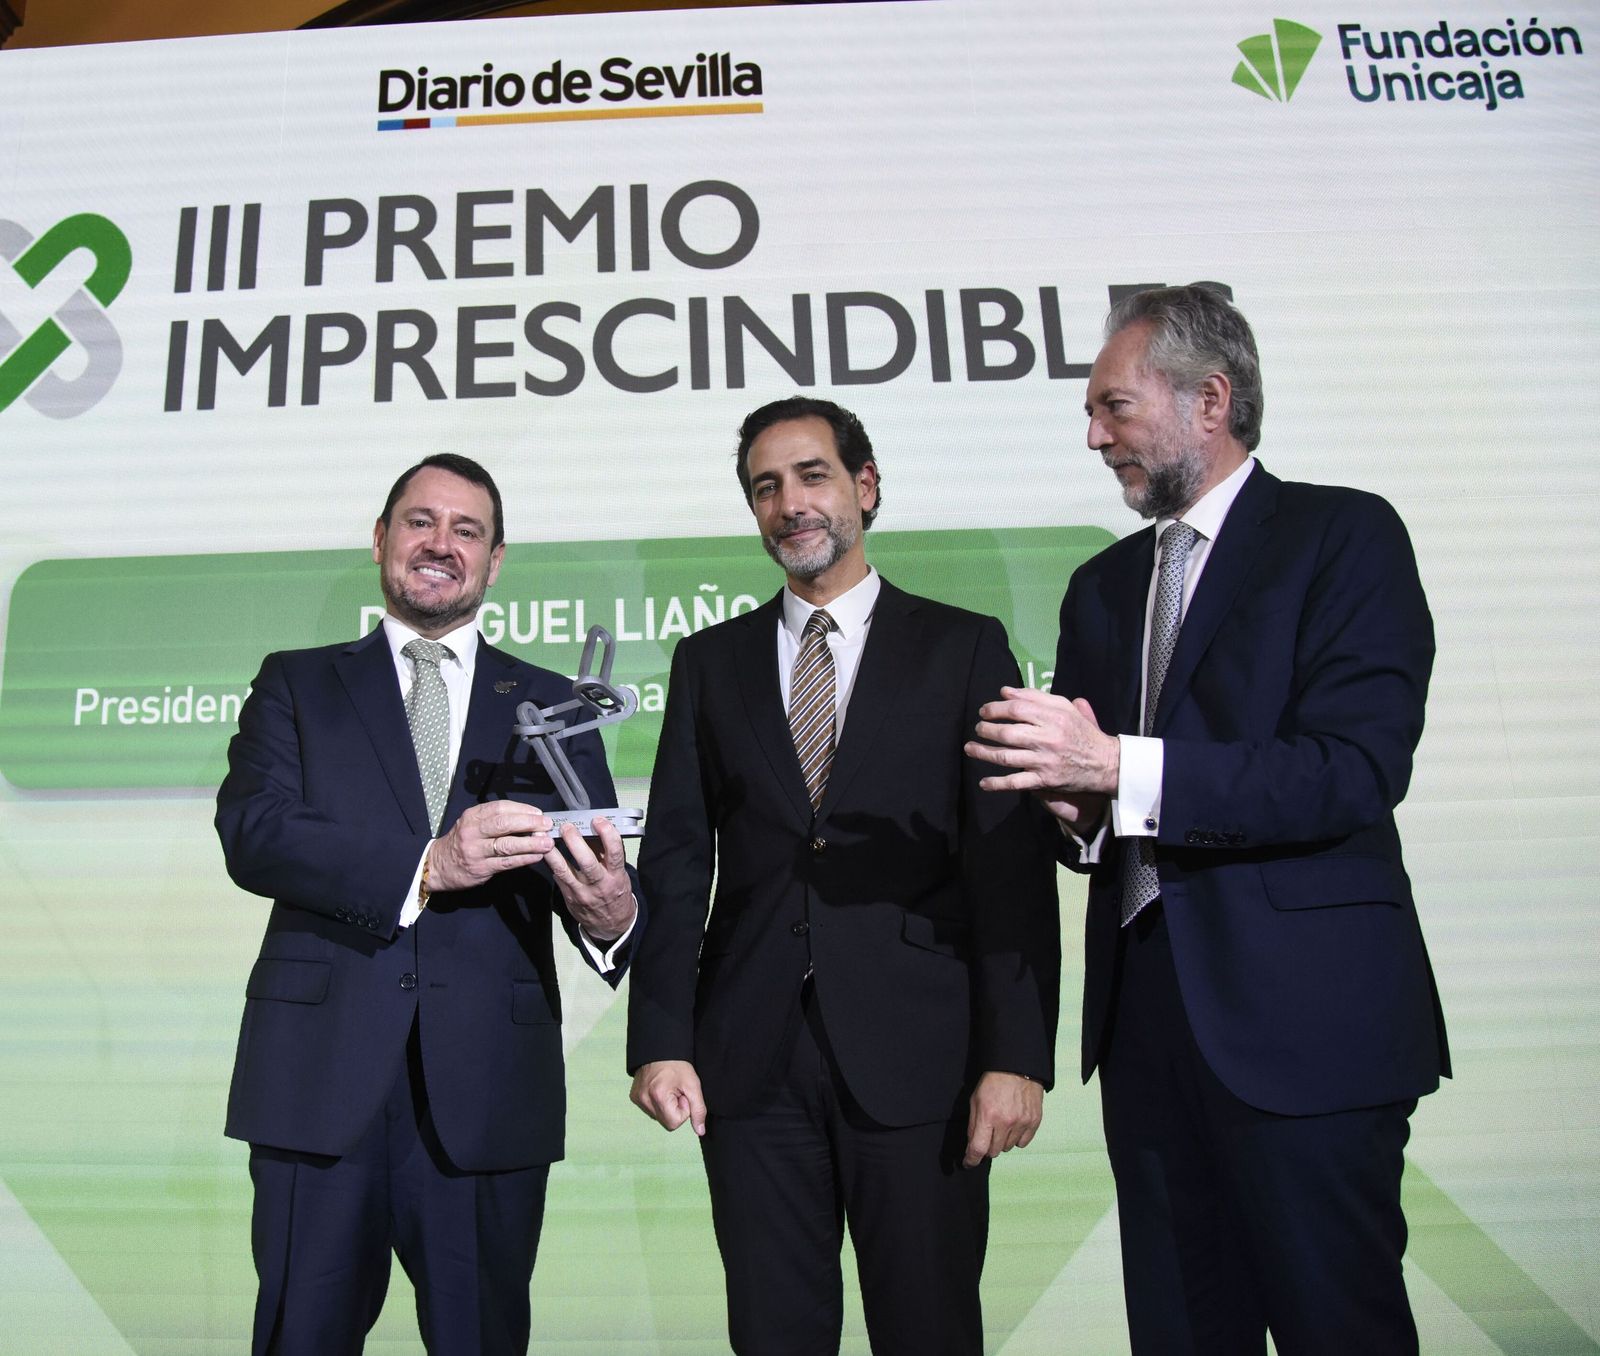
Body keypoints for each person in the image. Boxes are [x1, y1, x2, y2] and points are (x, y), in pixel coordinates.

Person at [966, 285, 1449, 1354]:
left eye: (1114, 408)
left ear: (1209, 399)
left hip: (1305, 1027)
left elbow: (1350, 770)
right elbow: (1102, 810)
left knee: (1338, 1325)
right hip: (1145, 1037)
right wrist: (1076, 809)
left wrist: (1117, 766)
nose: (1093, 437)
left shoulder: (1341, 536)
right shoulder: (1099, 586)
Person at [626, 396, 1060, 1355]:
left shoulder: (963, 646)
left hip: (925, 1062)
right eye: (765, 487)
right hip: (750, 1063)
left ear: (864, 488)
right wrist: (659, 1039)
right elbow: (678, 858)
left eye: (812, 475)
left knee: (930, 1329)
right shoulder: (709, 663)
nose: (790, 504)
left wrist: (1016, 1055)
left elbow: (1009, 865)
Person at [216, 453, 642, 1355]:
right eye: (420, 521)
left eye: (467, 531)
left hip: (488, 1090)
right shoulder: (296, 682)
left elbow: (592, 878)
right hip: (318, 1086)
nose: (441, 545)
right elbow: (254, 833)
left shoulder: (553, 703)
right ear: (381, 540)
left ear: (494, 563)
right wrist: (429, 864)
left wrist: (612, 913)